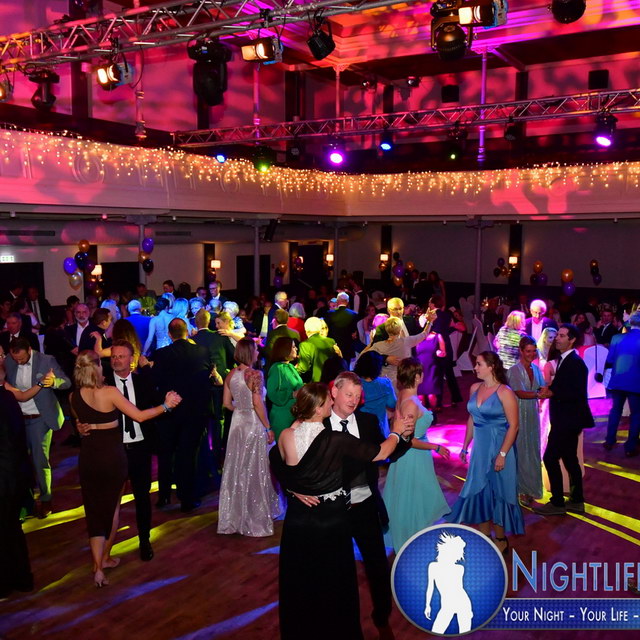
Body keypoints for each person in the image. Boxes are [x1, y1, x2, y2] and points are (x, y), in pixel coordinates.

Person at [269, 381, 412, 640]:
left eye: (358, 395)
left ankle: (381, 619)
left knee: (374, 567)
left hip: (359, 507)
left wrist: (403, 436)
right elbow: (275, 460)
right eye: (348, 394)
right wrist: (292, 488)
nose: (354, 400)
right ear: (331, 396)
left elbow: (283, 453)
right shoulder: (330, 434)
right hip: (331, 519)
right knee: (328, 580)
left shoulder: (365, 421)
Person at [71, 350, 181, 586]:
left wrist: (80, 428)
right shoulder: (109, 391)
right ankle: (102, 562)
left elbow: (81, 421)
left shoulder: (73, 397)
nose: (112, 362)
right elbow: (139, 416)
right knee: (111, 510)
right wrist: (166, 405)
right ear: (97, 366)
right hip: (112, 458)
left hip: (89, 458)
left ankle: (99, 564)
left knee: (94, 511)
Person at [446, 352, 522, 554]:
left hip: (500, 447)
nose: (475, 368)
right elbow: (472, 418)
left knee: (499, 492)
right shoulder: (474, 388)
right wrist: (465, 446)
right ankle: (485, 537)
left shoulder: (505, 392)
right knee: (480, 491)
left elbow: (514, 426)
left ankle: (501, 538)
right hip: (480, 449)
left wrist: (502, 454)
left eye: (479, 364)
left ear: (491, 366)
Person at [384, 358, 450, 553]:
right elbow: (407, 439)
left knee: (410, 498)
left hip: (410, 456)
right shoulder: (411, 403)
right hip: (412, 457)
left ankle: (412, 540)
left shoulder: (403, 395)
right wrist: (435, 447)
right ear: (418, 377)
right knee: (413, 499)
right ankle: (411, 542)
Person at [218, 338, 280, 536]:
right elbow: (257, 403)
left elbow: (226, 403)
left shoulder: (230, 375)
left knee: (237, 468)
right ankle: (254, 516)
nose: (258, 353)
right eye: (255, 350)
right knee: (255, 468)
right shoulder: (255, 374)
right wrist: (268, 428)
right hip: (253, 423)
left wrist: (240, 409)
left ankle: (234, 516)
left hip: (237, 424)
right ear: (250, 353)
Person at [4, 337, 71, 518]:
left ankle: (46, 498)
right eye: (15, 359)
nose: (18, 362)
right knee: (19, 461)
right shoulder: (9, 360)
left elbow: (67, 382)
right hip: (17, 418)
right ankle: (26, 501)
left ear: (30, 350)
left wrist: (54, 382)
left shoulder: (46, 360)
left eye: (22, 359)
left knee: (39, 460)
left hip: (40, 418)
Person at [533, 324, 594, 516]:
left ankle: (558, 502)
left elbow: (575, 393)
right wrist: (551, 390)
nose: (556, 338)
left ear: (572, 339)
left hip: (567, 420)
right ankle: (576, 500)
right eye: (557, 335)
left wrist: (552, 392)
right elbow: (566, 387)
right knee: (569, 459)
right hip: (568, 419)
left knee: (550, 458)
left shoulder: (574, 363)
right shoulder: (566, 360)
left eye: (561, 335)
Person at [152, 319, 211, 512]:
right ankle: (186, 499)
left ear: (169, 334)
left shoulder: (161, 354)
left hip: (168, 413)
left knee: (166, 455)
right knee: (187, 456)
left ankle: (164, 496)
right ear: (187, 332)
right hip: (193, 413)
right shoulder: (202, 351)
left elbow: (155, 382)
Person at [507, 336, 549, 506]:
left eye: (533, 351)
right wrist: (539, 394)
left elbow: (542, 387)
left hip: (532, 414)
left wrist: (547, 392)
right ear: (521, 351)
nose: (531, 354)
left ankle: (531, 488)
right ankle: (521, 489)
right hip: (517, 414)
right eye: (528, 351)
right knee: (520, 451)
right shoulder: (513, 370)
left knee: (532, 451)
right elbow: (519, 392)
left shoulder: (536, 369)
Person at [361, 313, 434, 391]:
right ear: (399, 330)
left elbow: (364, 356)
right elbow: (424, 334)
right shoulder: (406, 342)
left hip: (386, 383)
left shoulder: (379, 345)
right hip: (398, 383)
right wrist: (430, 322)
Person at [603, 311, 640, 455]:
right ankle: (630, 447)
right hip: (636, 382)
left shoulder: (617, 338)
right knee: (636, 414)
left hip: (618, 380)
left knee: (615, 410)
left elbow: (610, 359)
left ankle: (609, 440)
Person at [424, 532, 472, 634]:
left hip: (462, 603)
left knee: (464, 633)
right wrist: (427, 605)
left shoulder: (459, 568)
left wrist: (428, 605)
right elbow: (430, 587)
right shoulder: (433, 566)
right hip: (447, 605)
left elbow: (458, 589)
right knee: (436, 631)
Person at [267, 337, 304, 441]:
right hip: (282, 417)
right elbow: (272, 393)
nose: (296, 349)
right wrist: (292, 394)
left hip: (293, 414)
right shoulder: (276, 368)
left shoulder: (290, 366)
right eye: (293, 347)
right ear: (284, 349)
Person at [354, 351, 396, 437]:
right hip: (380, 429)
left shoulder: (354, 383)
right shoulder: (385, 383)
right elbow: (392, 404)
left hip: (360, 427)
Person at [296, 316, 341, 383]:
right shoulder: (331, 341)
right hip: (331, 380)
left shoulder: (305, 344)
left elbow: (304, 368)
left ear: (306, 329)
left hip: (316, 382)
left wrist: (292, 370)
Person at [415, 323, 446, 412]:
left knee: (431, 394)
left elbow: (444, 352)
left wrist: (440, 353)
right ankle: (424, 415)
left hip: (432, 368)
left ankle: (433, 413)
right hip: (420, 369)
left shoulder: (437, 336)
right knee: (420, 395)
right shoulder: (418, 337)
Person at [325, 292, 359, 362]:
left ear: (337, 301)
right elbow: (354, 332)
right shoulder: (354, 314)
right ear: (347, 302)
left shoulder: (330, 313)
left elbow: (326, 330)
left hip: (333, 346)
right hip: (347, 347)